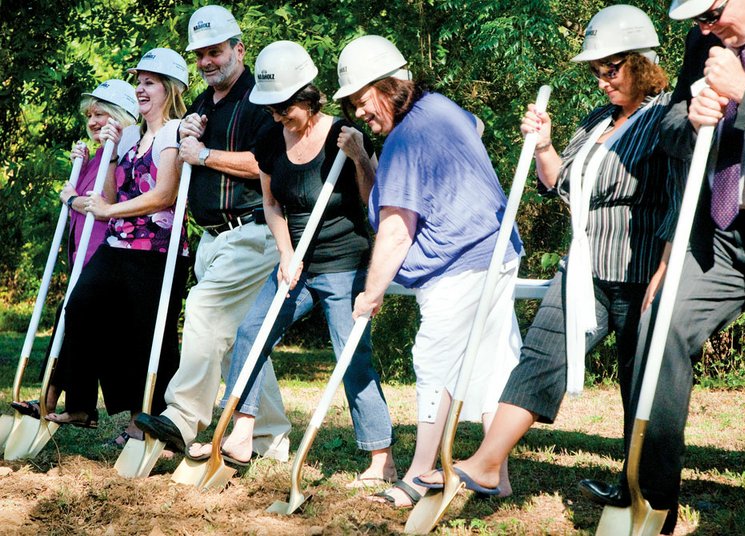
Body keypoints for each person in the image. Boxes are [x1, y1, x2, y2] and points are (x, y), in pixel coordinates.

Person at [415, 6, 683, 530]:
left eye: (612, 68)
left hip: (640, 266)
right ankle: (488, 464)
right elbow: (560, 183)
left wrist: (667, 267)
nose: (602, 79)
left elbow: (679, 199)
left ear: (643, 63)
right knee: (540, 359)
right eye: (596, 70)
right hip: (582, 266)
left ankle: (647, 496)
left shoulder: (669, 115)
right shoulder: (599, 121)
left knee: (642, 383)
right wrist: (543, 147)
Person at [587, 0, 745, 530]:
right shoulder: (703, 43)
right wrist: (692, 117)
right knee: (662, 329)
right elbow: (673, 130)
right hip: (721, 231)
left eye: (712, 14)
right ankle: (652, 499)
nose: (706, 28)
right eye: (698, 22)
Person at [185, 41, 396, 482]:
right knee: (251, 331)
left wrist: (359, 157)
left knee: (351, 355)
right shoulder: (269, 138)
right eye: (274, 110)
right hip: (294, 261)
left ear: (307, 98)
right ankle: (240, 434)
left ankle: (381, 459)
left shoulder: (344, 134)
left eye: (285, 110)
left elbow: (374, 201)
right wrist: (285, 252)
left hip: (344, 264)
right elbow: (271, 203)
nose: (280, 118)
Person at [336, 35, 524, 508]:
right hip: (497, 251)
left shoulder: (403, 140)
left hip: (459, 263)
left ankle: (420, 474)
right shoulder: (440, 108)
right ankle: (495, 477)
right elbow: (476, 127)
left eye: (362, 101)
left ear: (390, 87)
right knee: (489, 364)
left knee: (433, 361)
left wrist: (371, 293)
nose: (359, 113)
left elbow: (396, 231)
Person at [135, 5, 290, 461]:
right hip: (212, 238)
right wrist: (185, 136)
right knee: (232, 339)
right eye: (200, 55)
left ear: (238, 50)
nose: (207, 62)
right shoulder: (204, 103)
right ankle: (270, 436)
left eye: (215, 52)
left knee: (204, 312)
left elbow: (268, 165)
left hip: (253, 231)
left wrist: (203, 155)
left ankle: (182, 418)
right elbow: (187, 155)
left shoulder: (263, 99)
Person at [45, 48, 191, 448]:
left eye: (150, 83)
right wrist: (109, 155)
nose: (140, 90)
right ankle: (81, 403)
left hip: (157, 250)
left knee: (147, 337)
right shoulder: (130, 135)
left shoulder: (174, 131)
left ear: (170, 88)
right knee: (80, 305)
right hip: (119, 244)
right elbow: (108, 194)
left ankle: (148, 422)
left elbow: (164, 195)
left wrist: (109, 211)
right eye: (138, 82)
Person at [9, 79, 139, 421]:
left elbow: (106, 203)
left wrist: (71, 197)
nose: (93, 121)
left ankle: (51, 402)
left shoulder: (124, 151)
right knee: (75, 328)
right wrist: (78, 167)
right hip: (82, 255)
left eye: (101, 114)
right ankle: (79, 407)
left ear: (121, 116)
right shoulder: (99, 154)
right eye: (90, 115)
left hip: (103, 255)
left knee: (76, 325)